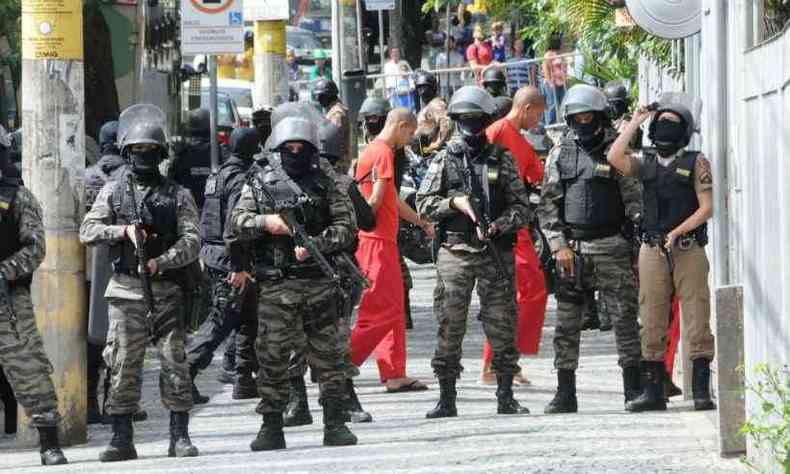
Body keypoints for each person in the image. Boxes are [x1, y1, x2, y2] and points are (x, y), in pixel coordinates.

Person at [79, 106, 201, 461]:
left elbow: (192, 241)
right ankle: (121, 437)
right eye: (136, 151)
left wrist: (160, 261)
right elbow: (88, 230)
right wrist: (123, 231)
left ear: (160, 154)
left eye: (149, 151)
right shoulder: (115, 192)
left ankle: (179, 435)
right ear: (126, 153)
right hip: (125, 290)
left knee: (173, 361)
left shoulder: (178, 195)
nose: (143, 156)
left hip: (165, 289)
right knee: (121, 363)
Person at [230, 116, 358, 450]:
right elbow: (237, 222)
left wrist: (318, 242)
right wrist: (266, 222)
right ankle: (271, 425)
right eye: (290, 148)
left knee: (329, 358)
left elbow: (348, 228)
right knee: (272, 359)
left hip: (319, 283)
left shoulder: (326, 183)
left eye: (302, 148)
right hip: (276, 286)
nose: (296, 152)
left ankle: (335, 423)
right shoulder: (260, 182)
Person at [416, 86, 531, 418]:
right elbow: (424, 204)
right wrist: (455, 203)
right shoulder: (444, 158)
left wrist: (497, 225)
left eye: (476, 119)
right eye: (464, 119)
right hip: (456, 252)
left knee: (502, 323)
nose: (471, 125)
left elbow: (522, 208)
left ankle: (505, 394)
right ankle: (447, 397)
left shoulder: (502, 158)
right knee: (450, 323)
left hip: (494, 251)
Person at [537, 84, 643, 414]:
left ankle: (634, 388)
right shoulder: (561, 152)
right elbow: (547, 206)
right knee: (567, 324)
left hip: (611, 245)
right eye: (575, 117)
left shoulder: (616, 150)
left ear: (598, 116)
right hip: (572, 251)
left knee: (625, 319)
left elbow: (634, 200)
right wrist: (558, 247)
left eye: (587, 116)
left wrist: (637, 243)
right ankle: (565, 392)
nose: (582, 122)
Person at [607, 98, 715, 412]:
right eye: (661, 121)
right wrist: (636, 121)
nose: (666, 125)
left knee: (697, 317)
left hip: (687, 248)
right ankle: (653, 391)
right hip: (652, 249)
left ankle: (700, 390)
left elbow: (707, 207)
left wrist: (679, 231)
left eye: (672, 121)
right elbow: (615, 156)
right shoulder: (646, 161)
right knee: (651, 318)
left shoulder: (697, 161)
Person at [283, 118, 375, 427]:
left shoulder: (290, 180)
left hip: (326, 270)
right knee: (333, 338)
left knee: (305, 338)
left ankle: (303, 404)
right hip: (323, 272)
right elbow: (368, 221)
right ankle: (342, 401)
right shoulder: (339, 182)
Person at [0, 125, 68, 466]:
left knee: (28, 367)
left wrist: (3, 271)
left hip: (7, 302)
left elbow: (36, 248)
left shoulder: (17, 196)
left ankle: (49, 443)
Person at [351, 108, 431, 393]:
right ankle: (341, 361)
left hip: (378, 242)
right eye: (410, 133)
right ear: (401, 126)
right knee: (379, 311)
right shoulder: (384, 153)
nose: (411, 140)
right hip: (377, 243)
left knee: (394, 309)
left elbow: (392, 201)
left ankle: (395, 372)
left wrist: (421, 222)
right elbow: (377, 200)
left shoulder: (369, 151)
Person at [479, 86, 548, 385]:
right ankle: (492, 366)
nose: (538, 121)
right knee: (510, 296)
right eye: (538, 114)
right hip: (499, 228)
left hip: (519, 227)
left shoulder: (521, 141)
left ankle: (507, 359)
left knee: (531, 291)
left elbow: (540, 176)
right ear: (526, 107)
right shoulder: (496, 131)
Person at [187, 128, 261, 404]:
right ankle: (186, 373)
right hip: (231, 258)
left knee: (247, 318)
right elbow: (234, 224)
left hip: (217, 254)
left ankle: (244, 379)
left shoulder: (218, 174)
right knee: (221, 320)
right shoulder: (240, 178)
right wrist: (239, 265)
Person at [84, 121, 150, 425]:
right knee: (123, 340)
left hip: (85, 272)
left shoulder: (87, 176)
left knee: (91, 341)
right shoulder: (131, 179)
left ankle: (89, 404)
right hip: (127, 271)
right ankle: (118, 401)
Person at [171, 108, 213, 212]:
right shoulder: (218, 152)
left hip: (187, 209)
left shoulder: (182, 154)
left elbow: (171, 183)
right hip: (212, 210)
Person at [313, 78, 354, 174]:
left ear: (328, 96)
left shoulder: (337, 113)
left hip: (337, 163)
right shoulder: (334, 110)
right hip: (335, 160)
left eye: (320, 96)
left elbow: (333, 138)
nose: (318, 100)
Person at [414, 70, 452, 157]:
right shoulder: (430, 104)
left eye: (424, 87)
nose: (422, 91)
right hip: (421, 151)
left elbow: (446, 124)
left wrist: (436, 145)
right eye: (419, 88)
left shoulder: (437, 104)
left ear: (432, 87)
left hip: (430, 154)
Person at [539, 50, 568, 125]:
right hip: (551, 84)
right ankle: (551, 123)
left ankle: (565, 121)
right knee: (553, 105)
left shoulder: (559, 58)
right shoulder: (548, 58)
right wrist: (550, 82)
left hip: (560, 83)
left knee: (563, 102)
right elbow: (546, 70)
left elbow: (564, 69)